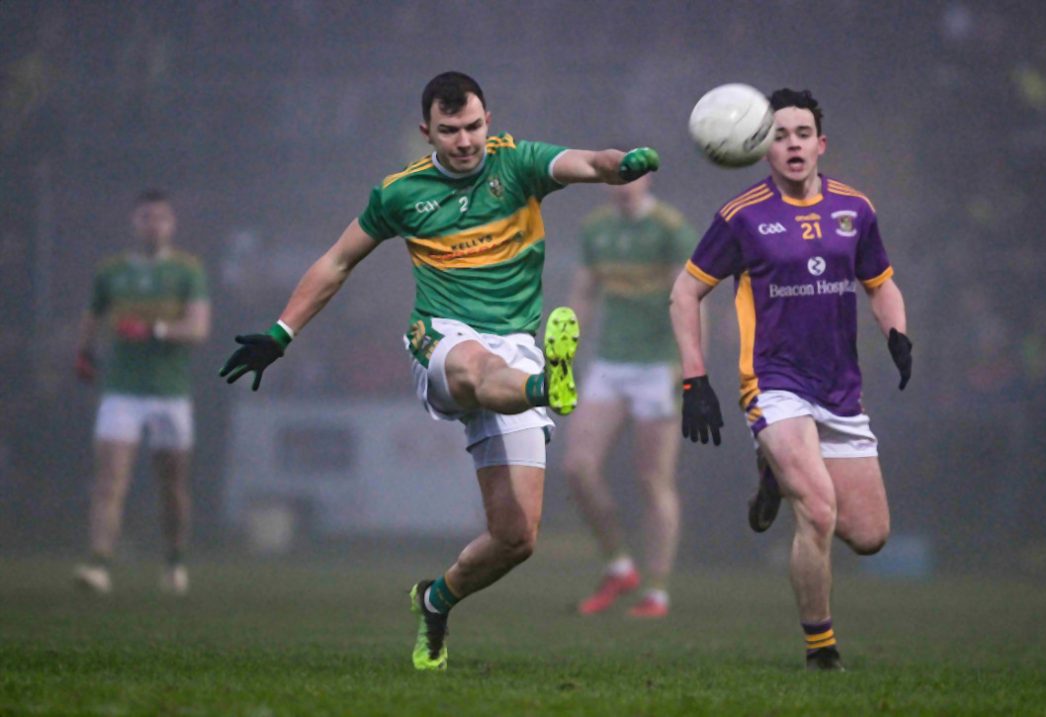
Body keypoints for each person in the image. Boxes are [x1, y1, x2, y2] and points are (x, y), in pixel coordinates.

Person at [218, 71, 660, 671]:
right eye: (449, 130)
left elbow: (586, 163)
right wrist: (281, 332)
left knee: (516, 538)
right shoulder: (402, 194)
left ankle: (434, 599)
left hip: (517, 346)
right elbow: (337, 261)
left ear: (488, 121)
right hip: (442, 340)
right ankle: (545, 387)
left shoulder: (519, 164)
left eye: (474, 126)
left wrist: (620, 165)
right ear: (427, 131)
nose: (465, 141)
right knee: (478, 369)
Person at [669, 88, 912, 670]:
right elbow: (686, 291)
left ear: (821, 144)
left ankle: (774, 473)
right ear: (762, 148)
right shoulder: (742, 215)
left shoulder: (855, 208)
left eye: (803, 133)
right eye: (779, 135)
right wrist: (694, 379)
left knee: (869, 534)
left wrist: (897, 333)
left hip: (840, 391)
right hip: (774, 384)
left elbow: (879, 282)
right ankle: (821, 649)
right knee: (820, 512)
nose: (793, 144)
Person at [562, 174, 697, 618]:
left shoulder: (670, 228)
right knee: (577, 467)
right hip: (609, 363)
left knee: (652, 479)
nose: (623, 184)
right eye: (615, 176)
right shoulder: (596, 229)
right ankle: (619, 565)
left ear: (649, 178)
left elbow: (690, 299)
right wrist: (562, 352)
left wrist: (693, 369)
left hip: (658, 366)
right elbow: (583, 294)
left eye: (632, 176)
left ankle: (656, 590)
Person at [73, 189, 212, 596]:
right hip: (122, 390)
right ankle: (99, 563)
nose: (153, 225)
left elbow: (199, 329)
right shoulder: (111, 271)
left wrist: (154, 330)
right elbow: (92, 315)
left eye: (161, 218)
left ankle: (174, 561)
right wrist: (84, 352)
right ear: (134, 223)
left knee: (172, 483)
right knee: (110, 478)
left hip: (171, 391)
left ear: (172, 224)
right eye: (146, 217)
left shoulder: (188, 270)